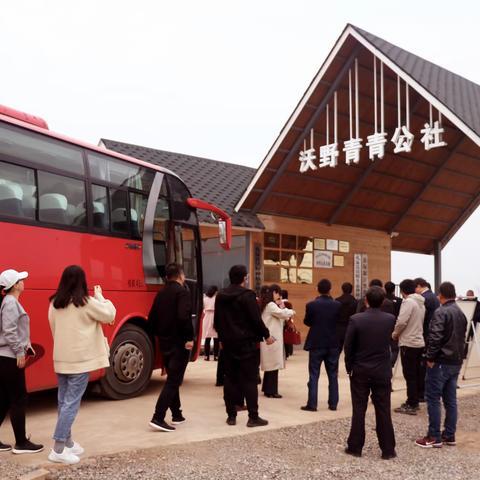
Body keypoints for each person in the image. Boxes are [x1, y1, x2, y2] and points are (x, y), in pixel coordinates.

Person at [48, 265, 116, 464]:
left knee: (64, 402)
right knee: (71, 404)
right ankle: (58, 448)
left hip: (61, 359)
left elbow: (54, 328)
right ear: (82, 281)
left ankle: (68, 443)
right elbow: (109, 314)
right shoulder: (85, 302)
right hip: (80, 361)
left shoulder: (54, 303)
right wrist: (101, 297)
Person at [214, 265, 274, 427]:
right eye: (246, 277)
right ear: (243, 278)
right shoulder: (248, 296)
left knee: (230, 379)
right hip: (246, 344)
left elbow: (217, 321)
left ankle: (231, 415)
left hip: (228, 344)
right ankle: (253, 417)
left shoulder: (221, 295)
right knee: (249, 380)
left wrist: (221, 340)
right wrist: (267, 335)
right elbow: (256, 320)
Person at [344, 286, 396, 459]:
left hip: (360, 370)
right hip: (382, 370)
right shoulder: (390, 319)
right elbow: (391, 344)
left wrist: (349, 367)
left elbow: (348, 346)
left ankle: (355, 447)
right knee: (383, 410)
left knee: (359, 409)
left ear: (365, 299)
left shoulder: (356, 319)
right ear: (382, 301)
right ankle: (388, 450)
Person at [415, 281, 467, 448]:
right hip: (455, 361)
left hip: (440, 362)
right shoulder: (460, 312)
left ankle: (434, 436)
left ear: (441, 295)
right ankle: (449, 435)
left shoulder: (441, 312)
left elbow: (435, 337)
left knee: (433, 398)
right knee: (450, 400)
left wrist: (430, 357)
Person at [0, 269, 43, 454]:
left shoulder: (9, 302)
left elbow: (13, 330)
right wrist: (19, 351)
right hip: (9, 357)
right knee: (19, 398)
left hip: (5, 356)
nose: (23, 281)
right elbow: (9, 331)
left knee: (2, 399)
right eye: (20, 280)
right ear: (15, 285)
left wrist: (26, 346)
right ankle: (21, 443)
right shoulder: (10, 303)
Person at [148, 263, 194, 433]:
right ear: (181, 275)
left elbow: (152, 319)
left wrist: (160, 334)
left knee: (173, 378)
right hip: (179, 343)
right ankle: (158, 417)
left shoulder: (160, 293)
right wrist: (189, 338)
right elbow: (184, 317)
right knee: (174, 381)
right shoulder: (182, 292)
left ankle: (177, 414)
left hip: (165, 343)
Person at [301, 278, 341, 412]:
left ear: (317, 289)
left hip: (316, 342)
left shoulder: (311, 305)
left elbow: (307, 322)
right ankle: (333, 404)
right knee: (333, 375)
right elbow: (339, 321)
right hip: (333, 343)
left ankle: (312, 404)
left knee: (313, 374)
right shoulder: (337, 305)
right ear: (330, 289)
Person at [392, 279, 425, 415]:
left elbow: (401, 321)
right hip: (418, 341)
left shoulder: (408, 302)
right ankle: (415, 399)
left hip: (408, 342)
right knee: (416, 373)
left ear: (403, 291)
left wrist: (395, 334)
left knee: (409, 374)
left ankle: (412, 403)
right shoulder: (421, 303)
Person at [259, 284, 295, 398]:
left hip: (272, 338)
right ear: (274, 293)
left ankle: (267, 389)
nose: (279, 296)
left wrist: (281, 305)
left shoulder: (269, 304)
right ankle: (271, 391)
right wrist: (291, 311)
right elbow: (283, 314)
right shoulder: (270, 305)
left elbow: (283, 316)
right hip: (272, 339)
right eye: (278, 293)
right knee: (273, 366)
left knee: (271, 366)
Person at [414, 278, 440, 402]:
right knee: (430, 365)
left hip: (425, 334)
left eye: (415, 288)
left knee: (422, 365)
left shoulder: (425, 298)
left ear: (419, 286)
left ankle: (421, 393)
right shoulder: (434, 296)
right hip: (434, 334)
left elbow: (422, 318)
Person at [335, 282, 358, 352]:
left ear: (342, 290)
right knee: (350, 351)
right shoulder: (355, 302)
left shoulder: (336, 301)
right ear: (351, 290)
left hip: (338, 329)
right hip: (351, 328)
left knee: (336, 352)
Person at [384, 281, 403, 367]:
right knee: (395, 348)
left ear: (385, 288)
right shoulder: (400, 301)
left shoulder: (381, 300)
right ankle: (391, 363)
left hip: (383, 326)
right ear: (394, 289)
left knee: (383, 346)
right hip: (395, 326)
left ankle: (384, 362)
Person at [203, 286, 219, 361]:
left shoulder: (204, 299)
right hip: (215, 317)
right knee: (216, 339)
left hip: (206, 317)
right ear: (215, 291)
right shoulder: (217, 298)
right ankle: (216, 356)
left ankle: (206, 356)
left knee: (207, 338)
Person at [281, 290, 295, 358]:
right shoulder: (289, 303)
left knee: (282, 338)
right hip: (288, 321)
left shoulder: (279, 303)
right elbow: (291, 314)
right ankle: (288, 352)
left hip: (281, 322)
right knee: (288, 336)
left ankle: (283, 353)